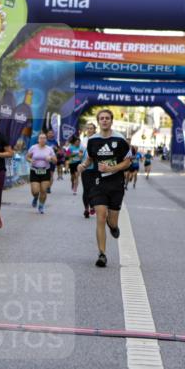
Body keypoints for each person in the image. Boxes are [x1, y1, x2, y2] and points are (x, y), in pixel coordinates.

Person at [78, 109, 131, 268]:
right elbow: (90, 159)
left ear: (111, 121)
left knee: (112, 219)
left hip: (116, 184)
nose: (104, 121)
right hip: (98, 183)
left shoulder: (120, 139)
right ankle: (102, 254)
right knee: (100, 215)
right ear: (98, 121)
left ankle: (113, 225)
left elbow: (127, 161)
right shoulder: (92, 140)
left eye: (107, 118)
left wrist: (111, 168)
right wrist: (83, 165)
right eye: (101, 118)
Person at [26, 131, 57, 214]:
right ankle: (36, 197)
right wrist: (30, 160)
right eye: (41, 138)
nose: (42, 140)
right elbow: (27, 157)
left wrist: (50, 158)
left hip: (45, 170)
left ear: (46, 139)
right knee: (35, 191)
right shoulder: (33, 147)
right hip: (34, 170)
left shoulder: (49, 149)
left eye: (44, 138)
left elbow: (55, 161)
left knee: (43, 190)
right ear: (38, 140)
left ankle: (41, 205)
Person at [79, 121, 98, 218]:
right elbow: (80, 154)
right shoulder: (83, 141)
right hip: (85, 168)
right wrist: (80, 155)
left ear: (95, 130)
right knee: (86, 189)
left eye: (91, 128)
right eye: (88, 128)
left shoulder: (98, 139)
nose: (89, 130)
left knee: (94, 189)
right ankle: (86, 208)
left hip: (96, 168)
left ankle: (92, 205)